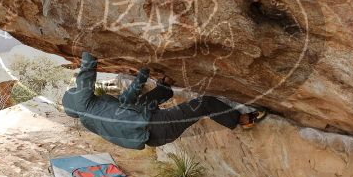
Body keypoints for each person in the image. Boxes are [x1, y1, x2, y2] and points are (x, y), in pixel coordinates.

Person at [61, 52, 264, 149]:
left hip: (152, 135)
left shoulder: (92, 116)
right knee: (206, 103)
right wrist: (89, 57)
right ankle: (241, 120)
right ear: (76, 100)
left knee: (141, 103)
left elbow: (126, 100)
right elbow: (86, 78)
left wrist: (141, 77)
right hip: (159, 126)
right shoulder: (85, 105)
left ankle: (164, 87)